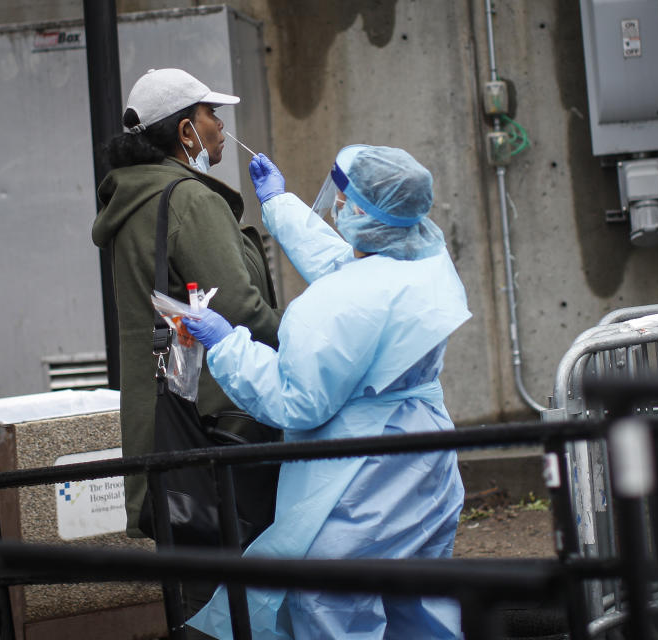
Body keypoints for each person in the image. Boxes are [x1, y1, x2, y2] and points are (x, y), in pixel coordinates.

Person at [184, 145, 471, 639]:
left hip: (363, 472)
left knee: (333, 602)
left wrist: (227, 344)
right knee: (420, 598)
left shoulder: (334, 306)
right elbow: (349, 264)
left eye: (344, 199)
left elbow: (295, 401)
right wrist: (280, 205)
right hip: (426, 455)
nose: (336, 205)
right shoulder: (423, 255)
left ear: (361, 213)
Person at [90, 68, 282, 633]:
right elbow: (244, 310)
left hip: (167, 428)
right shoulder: (191, 200)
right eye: (209, 115)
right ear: (185, 132)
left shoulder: (135, 201)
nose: (221, 125)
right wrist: (308, 342)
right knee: (244, 592)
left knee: (198, 592)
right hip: (222, 426)